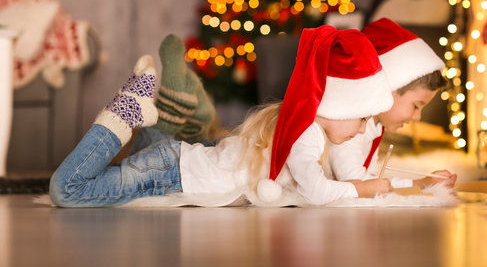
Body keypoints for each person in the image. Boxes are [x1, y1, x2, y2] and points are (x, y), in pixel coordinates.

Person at [49, 25, 395, 208]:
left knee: (131, 165)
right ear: (334, 106)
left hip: (173, 164)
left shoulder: (301, 126)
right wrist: (360, 189)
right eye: (361, 117)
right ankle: (126, 110)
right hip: (170, 173)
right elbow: (318, 192)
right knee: (69, 190)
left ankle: (175, 106)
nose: (365, 128)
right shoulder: (306, 135)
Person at [329, 18, 457, 189]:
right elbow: (357, 183)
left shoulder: (374, 125)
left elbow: (373, 179)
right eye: (416, 106)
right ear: (389, 88)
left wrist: (422, 183)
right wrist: (417, 185)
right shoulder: (349, 125)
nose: (417, 117)